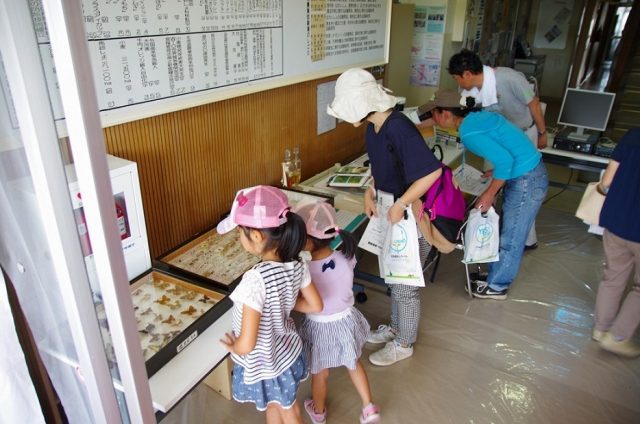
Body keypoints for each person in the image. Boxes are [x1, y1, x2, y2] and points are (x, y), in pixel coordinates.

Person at [327, 68, 443, 366]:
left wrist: (401, 203)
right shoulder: (373, 128)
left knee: (405, 286)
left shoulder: (398, 128)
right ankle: (396, 328)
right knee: (395, 278)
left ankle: (405, 343)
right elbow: (382, 169)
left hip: (411, 216)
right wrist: (370, 191)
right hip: (391, 211)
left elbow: (432, 172)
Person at [422, 89, 548, 300]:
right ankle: (495, 275)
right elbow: (507, 149)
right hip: (527, 172)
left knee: (512, 236)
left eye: (433, 114)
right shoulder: (477, 117)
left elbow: (505, 161)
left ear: (445, 114)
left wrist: (489, 194)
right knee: (508, 230)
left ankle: (497, 286)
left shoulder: (468, 133)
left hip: (527, 179)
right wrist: (496, 173)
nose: (432, 119)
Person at [218, 185, 323, 424]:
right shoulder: (298, 262)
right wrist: (283, 300)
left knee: (290, 411)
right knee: (276, 406)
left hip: (267, 363)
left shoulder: (255, 280)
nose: (239, 237)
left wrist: (235, 348)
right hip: (285, 351)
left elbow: (247, 343)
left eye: (239, 232)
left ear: (256, 235)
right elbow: (315, 305)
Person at [446, 49, 547, 250]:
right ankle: (489, 231)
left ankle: (526, 239)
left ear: (467, 74)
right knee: (494, 180)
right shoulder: (469, 92)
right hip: (497, 136)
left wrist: (543, 132)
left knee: (522, 188)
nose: (458, 83)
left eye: (458, 78)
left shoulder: (509, 78)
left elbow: (533, 103)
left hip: (523, 133)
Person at [294, 200, 381, 424]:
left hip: (320, 327)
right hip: (345, 320)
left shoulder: (305, 270)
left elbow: (305, 299)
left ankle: (319, 412)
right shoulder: (347, 255)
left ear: (306, 241)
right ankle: (369, 407)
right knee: (353, 363)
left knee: (320, 373)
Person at [592, 128, 640, 358]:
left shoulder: (632, 136)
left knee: (612, 277)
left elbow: (606, 182)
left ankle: (600, 330)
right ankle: (618, 336)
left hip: (616, 221)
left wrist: (603, 190)